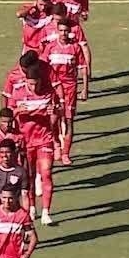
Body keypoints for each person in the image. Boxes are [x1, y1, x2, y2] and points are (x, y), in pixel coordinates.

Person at [7, 64, 61, 225]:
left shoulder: (49, 92)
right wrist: (17, 111)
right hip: (25, 140)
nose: (33, 86)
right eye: (30, 83)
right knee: (28, 176)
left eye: (36, 83)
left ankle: (46, 212)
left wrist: (55, 113)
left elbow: (57, 113)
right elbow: (8, 115)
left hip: (44, 138)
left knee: (46, 172)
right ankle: (31, 207)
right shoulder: (18, 93)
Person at [42, 18, 90, 165]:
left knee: (68, 121)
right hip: (53, 89)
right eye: (61, 30)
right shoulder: (50, 48)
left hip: (69, 89)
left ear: (70, 32)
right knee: (52, 120)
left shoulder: (75, 48)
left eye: (66, 31)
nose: (63, 33)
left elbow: (83, 68)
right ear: (57, 31)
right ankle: (56, 142)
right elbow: (43, 68)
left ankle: (65, 153)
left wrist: (85, 89)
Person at [0, 138, 32, 233]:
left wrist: (26, 214)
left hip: (13, 213)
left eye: (7, 152)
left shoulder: (21, 172)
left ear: (13, 152)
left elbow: (24, 196)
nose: (5, 155)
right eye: (2, 152)